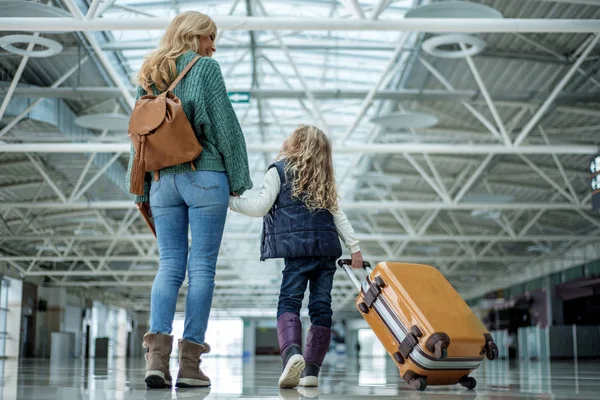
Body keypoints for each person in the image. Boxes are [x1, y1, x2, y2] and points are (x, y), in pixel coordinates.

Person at [126, 11, 253, 389]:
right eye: (210, 37)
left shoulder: (149, 73)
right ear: (193, 36)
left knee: (169, 267)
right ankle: (190, 366)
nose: (213, 46)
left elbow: (139, 137)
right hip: (204, 177)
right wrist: (240, 179)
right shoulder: (205, 69)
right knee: (202, 271)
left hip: (163, 181)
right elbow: (225, 126)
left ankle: (156, 359)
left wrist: (141, 188)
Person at [229, 125, 363, 388]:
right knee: (321, 307)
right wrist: (355, 248)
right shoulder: (322, 179)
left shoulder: (278, 170)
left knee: (289, 301)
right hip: (326, 250)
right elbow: (338, 216)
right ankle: (311, 371)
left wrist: (230, 201)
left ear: (296, 144)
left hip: (297, 251)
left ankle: (292, 354)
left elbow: (259, 207)